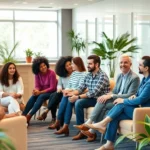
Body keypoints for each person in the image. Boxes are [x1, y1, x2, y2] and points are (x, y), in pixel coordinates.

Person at [85, 56, 150, 150]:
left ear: (146, 68)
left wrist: (123, 100)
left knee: (121, 104)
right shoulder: (145, 79)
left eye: (140, 65)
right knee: (114, 116)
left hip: (145, 114)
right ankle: (109, 144)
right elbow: (138, 94)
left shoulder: (148, 82)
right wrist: (134, 95)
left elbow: (141, 100)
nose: (138, 67)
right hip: (138, 110)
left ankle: (102, 123)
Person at [74, 54, 140, 142]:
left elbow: (129, 95)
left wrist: (111, 96)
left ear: (130, 64)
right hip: (116, 101)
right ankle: (91, 129)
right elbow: (115, 90)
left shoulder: (135, 78)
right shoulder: (120, 76)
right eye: (121, 62)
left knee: (102, 104)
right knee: (102, 99)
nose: (123, 64)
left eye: (125, 62)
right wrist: (108, 95)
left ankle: (89, 126)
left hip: (124, 103)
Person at [67, 55, 110, 140]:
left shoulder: (103, 76)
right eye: (87, 63)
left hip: (100, 100)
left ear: (97, 65)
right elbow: (80, 88)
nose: (87, 66)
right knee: (78, 103)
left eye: (90, 64)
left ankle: (87, 131)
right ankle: (82, 131)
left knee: (78, 101)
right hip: (92, 99)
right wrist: (71, 93)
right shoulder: (88, 75)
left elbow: (94, 93)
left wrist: (78, 97)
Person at [48, 57, 86, 136]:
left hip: (78, 93)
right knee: (65, 98)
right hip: (71, 93)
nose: (71, 66)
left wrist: (70, 91)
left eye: (72, 64)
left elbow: (81, 88)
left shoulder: (84, 74)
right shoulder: (74, 73)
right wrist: (66, 90)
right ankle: (62, 125)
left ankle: (61, 124)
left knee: (67, 99)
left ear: (77, 64)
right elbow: (69, 85)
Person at [36, 56, 73, 125]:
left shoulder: (75, 74)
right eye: (66, 66)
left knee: (54, 96)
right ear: (63, 67)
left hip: (70, 93)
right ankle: (53, 117)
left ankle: (47, 112)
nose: (69, 66)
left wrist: (66, 90)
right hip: (62, 93)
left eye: (70, 64)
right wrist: (59, 88)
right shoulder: (62, 75)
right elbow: (59, 84)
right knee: (54, 95)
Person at [22, 56, 57, 124]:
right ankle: (23, 115)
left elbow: (52, 88)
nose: (43, 67)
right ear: (37, 68)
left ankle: (29, 116)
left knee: (41, 96)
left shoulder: (51, 73)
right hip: (43, 92)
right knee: (33, 96)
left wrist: (40, 92)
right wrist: (36, 91)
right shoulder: (37, 74)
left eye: (44, 65)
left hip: (52, 92)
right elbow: (37, 86)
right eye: (41, 66)